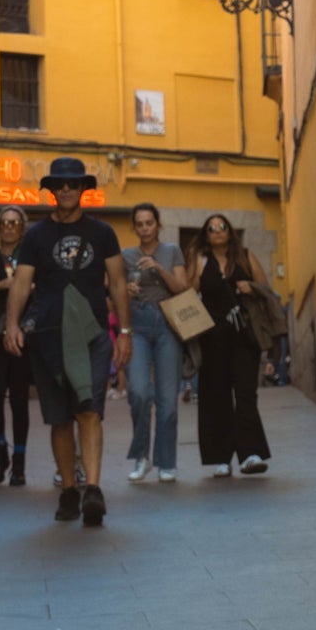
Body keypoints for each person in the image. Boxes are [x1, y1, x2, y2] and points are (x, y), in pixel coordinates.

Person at [4, 157, 132, 527]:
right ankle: (69, 490)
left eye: (72, 184)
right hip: (48, 337)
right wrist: (12, 324)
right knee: (59, 419)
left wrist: (125, 332)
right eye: (59, 185)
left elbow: (119, 283)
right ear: (50, 189)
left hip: (92, 334)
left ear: (83, 188)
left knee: (89, 409)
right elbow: (22, 283)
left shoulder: (103, 232)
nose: (65, 190)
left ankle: (93, 489)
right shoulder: (35, 237)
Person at [186, 215, 272, 477]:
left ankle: (250, 454)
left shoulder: (245, 256)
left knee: (246, 393)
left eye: (222, 227)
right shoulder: (201, 261)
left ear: (230, 231)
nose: (217, 231)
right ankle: (221, 457)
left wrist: (251, 287)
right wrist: (193, 260)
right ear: (206, 235)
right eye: (211, 229)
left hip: (244, 335)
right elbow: (189, 293)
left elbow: (266, 288)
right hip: (213, 338)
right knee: (216, 396)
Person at [122, 201, 187, 482]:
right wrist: (126, 290)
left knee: (167, 400)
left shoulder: (172, 251)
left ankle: (166, 461)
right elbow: (113, 296)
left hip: (167, 324)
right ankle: (141, 457)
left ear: (157, 225)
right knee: (137, 392)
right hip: (137, 323)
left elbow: (182, 289)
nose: (145, 228)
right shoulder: (125, 256)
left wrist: (159, 268)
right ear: (134, 227)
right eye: (140, 224)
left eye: (149, 223)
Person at [0, 205, 32, 486]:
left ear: (22, 228)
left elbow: (41, 287)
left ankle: (20, 461)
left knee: (20, 398)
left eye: (15, 223)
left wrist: (25, 286)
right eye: (5, 223)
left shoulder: (30, 258)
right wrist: (3, 285)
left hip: (24, 334)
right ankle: (0, 450)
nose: (9, 227)